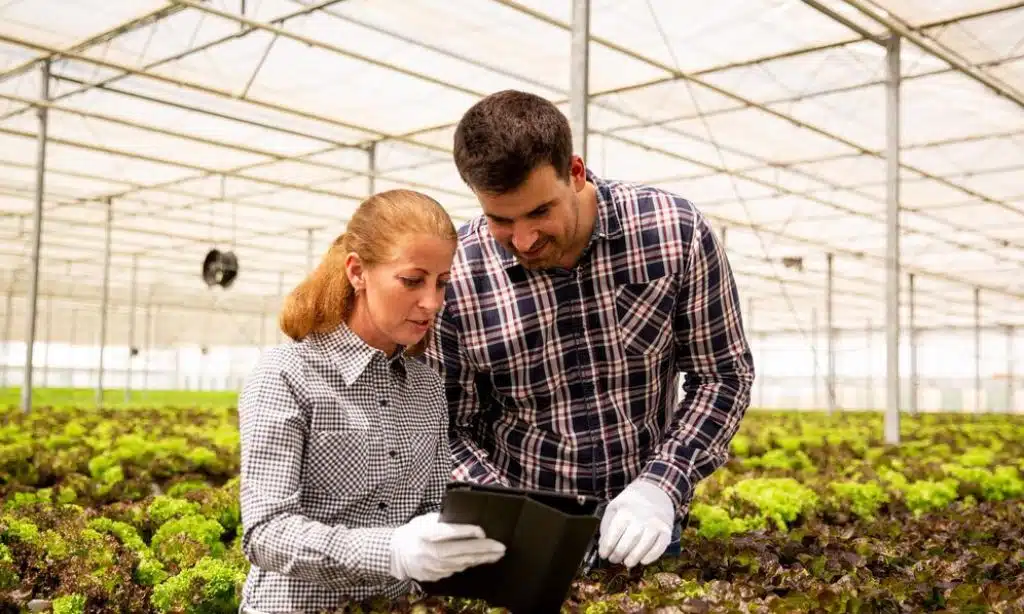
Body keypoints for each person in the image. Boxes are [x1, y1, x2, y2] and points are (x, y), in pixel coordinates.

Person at [421, 90, 755, 571]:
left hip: (645, 526)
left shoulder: (672, 231)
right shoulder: (462, 273)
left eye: (539, 212)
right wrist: (516, 518)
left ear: (575, 173)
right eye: (500, 220)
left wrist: (662, 484)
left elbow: (723, 376)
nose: (524, 240)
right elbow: (446, 426)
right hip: (520, 541)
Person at [237, 189, 506, 614]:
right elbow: (266, 534)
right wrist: (391, 551)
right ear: (358, 272)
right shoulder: (286, 375)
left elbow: (429, 509)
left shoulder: (427, 388)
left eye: (441, 283)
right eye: (412, 280)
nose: (432, 302)